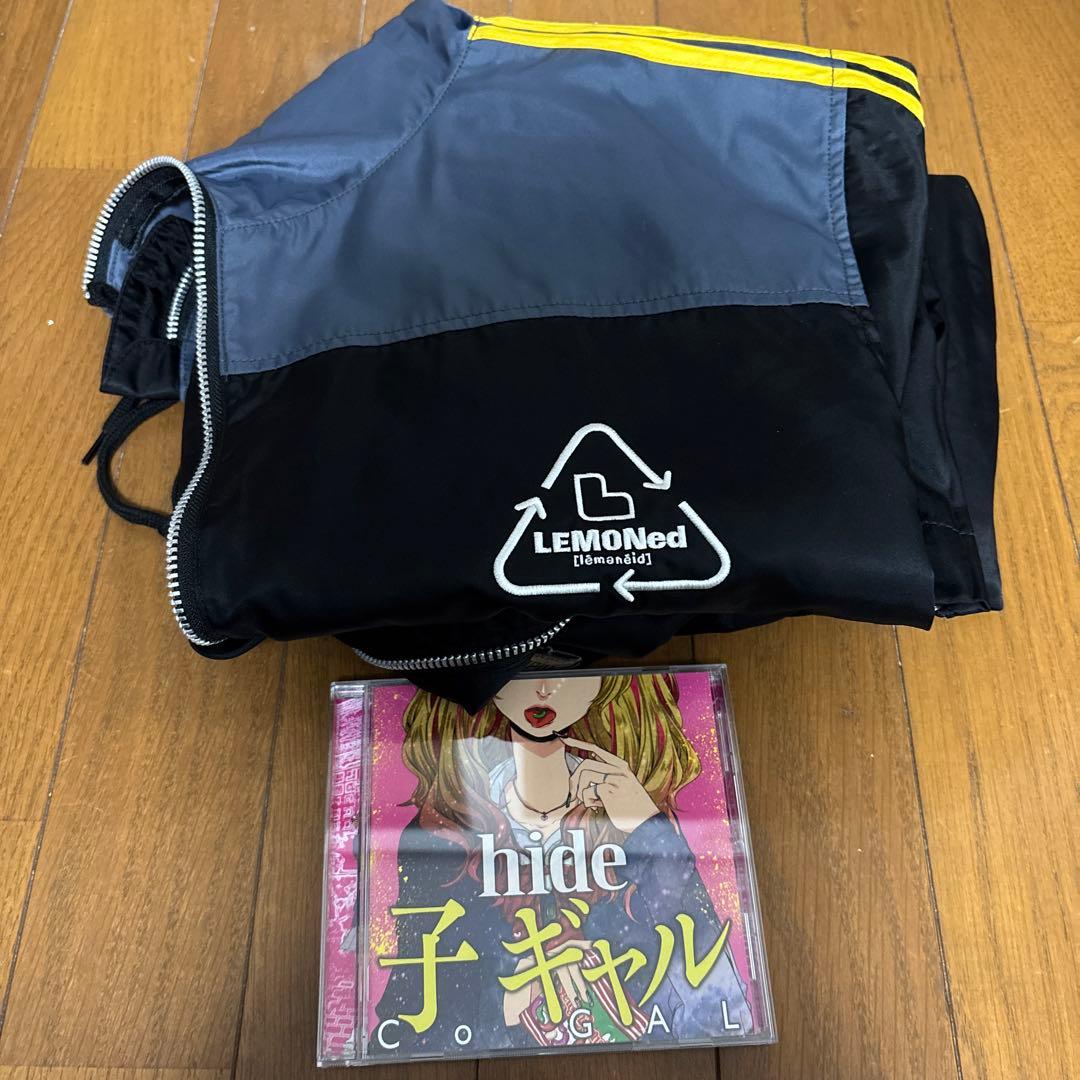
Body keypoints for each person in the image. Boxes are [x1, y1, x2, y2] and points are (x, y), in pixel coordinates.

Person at [372, 673, 752, 1054]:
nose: (543, 688)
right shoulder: (442, 836)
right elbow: (402, 1026)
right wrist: (502, 1002)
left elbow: (721, 1008)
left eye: (567, 667)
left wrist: (647, 830)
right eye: (518, 669)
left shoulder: (637, 821)